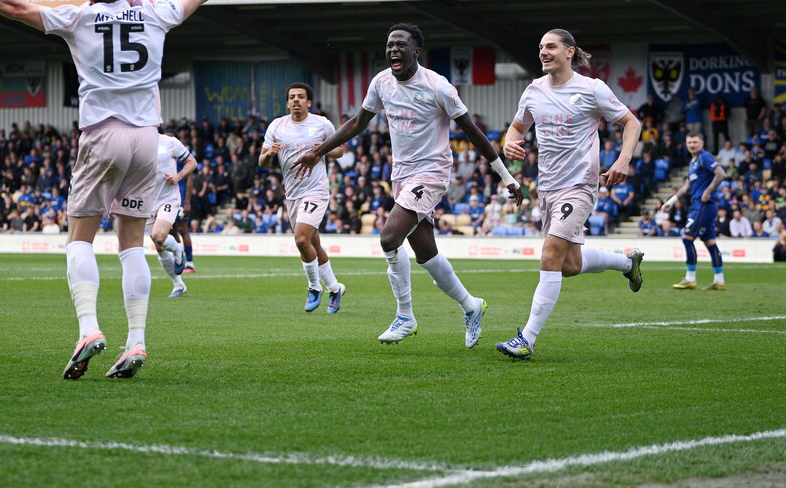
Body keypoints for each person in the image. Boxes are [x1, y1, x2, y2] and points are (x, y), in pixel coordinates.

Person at [0, 0, 257, 379]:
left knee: (79, 237)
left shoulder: (80, 17)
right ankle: (136, 341)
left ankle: (88, 330)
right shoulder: (155, 13)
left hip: (102, 135)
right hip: (147, 140)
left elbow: (15, 7)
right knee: (131, 244)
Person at [293, 23, 522, 347]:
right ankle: (471, 305)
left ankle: (405, 316)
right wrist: (318, 152)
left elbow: (472, 132)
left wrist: (506, 176)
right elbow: (358, 123)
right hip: (401, 175)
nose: (393, 50)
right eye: (390, 45)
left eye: (400, 44)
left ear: (416, 51)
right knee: (426, 254)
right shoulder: (381, 82)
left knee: (389, 238)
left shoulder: (438, 86)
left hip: (431, 172)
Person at [495, 29, 644, 361]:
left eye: (551, 46)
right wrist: (509, 142)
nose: (543, 52)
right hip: (547, 187)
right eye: (540, 47)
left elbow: (631, 123)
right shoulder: (533, 90)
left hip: (579, 186)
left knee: (550, 256)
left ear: (569, 52)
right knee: (569, 265)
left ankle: (527, 339)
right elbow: (517, 127)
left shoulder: (592, 89)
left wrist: (623, 160)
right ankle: (627, 262)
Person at [260, 83, 347, 313]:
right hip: (292, 194)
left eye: (300, 97)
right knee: (312, 244)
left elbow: (340, 150)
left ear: (309, 102)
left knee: (300, 240)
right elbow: (262, 161)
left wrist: (324, 149)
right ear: (287, 103)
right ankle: (335, 288)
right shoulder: (276, 126)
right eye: (292, 97)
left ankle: (314, 287)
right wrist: (269, 154)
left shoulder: (322, 124)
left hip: (316, 190)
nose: (296, 100)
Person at [663, 133, 728, 291]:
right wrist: (671, 201)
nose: (692, 145)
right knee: (710, 242)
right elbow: (686, 187)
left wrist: (708, 192)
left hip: (703, 206)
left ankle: (690, 278)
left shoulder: (704, 157)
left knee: (687, 238)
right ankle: (719, 280)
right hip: (702, 206)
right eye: (689, 142)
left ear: (702, 143)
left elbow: (721, 173)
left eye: (695, 142)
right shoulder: (693, 162)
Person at [149, 132, 198, 298]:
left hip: (169, 198)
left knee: (164, 234)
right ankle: (178, 284)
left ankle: (182, 254)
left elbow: (192, 164)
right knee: (159, 245)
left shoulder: (170, 142)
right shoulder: (136, 143)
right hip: (147, 201)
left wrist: (178, 177)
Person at [172, 147, 197, 274]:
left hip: (180, 199)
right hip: (169, 199)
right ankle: (179, 259)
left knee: (183, 230)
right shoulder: (165, 156)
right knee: (172, 231)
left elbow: (190, 179)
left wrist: (187, 202)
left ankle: (190, 263)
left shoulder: (182, 157)